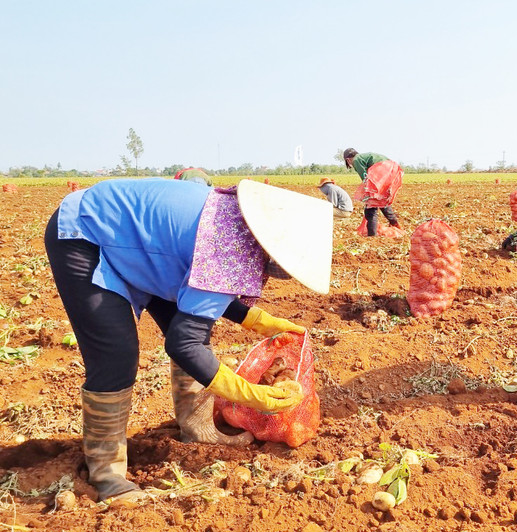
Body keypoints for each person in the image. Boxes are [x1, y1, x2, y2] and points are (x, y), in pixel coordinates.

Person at [44, 177, 333, 502]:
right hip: (88, 234)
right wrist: (250, 395)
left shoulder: (236, 228)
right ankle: (107, 476)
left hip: (146, 250)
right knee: (116, 356)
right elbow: (183, 344)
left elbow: (205, 287)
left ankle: (197, 428)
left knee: (195, 329)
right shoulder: (228, 246)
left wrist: (258, 320)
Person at [343, 148, 402, 236]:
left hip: (381, 169)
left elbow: (365, 178)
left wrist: (367, 193)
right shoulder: (363, 157)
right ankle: (396, 225)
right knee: (381, 200)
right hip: (391, 169)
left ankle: (372, 235)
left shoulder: (356, 160)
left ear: (348, 159)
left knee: (371, 206)